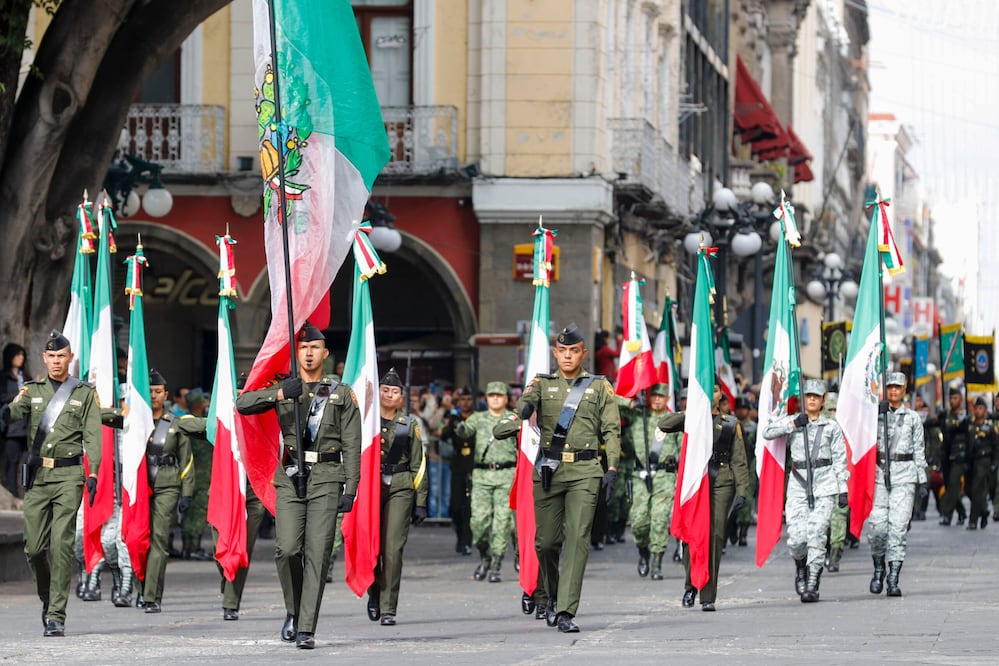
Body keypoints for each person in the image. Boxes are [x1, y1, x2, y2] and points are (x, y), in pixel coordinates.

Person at [235, 322, 361, 649]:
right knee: (287, 548)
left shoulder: (340, 393)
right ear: (297, 353)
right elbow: (243, 405)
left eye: (314, 348)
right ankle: (293, 609)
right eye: (303, 348)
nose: (308, 353)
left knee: (317, 554)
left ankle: (306, 627)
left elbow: (351, 443)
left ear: (325, 354)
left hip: (328, 478)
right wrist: (279, 393)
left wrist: (351, 488)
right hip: (290, 476)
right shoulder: (285, 387)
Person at [493, 323, 620, 633]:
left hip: (586, 472)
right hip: (549, 470)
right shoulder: (540, 383)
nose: (567, 356)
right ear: (554, 353)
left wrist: (612, 467)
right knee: (546, 543)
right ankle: (550, 595)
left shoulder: (599, 387)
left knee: (578, 540)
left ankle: (565, 610)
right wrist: (522, 411)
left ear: (583, 353)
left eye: (573, 351)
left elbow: (611, 429)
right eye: (562, 351)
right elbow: (524, 406)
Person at [4, 330, 101, 636]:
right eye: (52, 357)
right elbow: (12, 412)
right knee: (33, 549)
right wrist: (4, 412)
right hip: (38, 477)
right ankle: (48, 600)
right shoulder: (31, 391)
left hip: (69, 478)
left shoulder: (84, 394)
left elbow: (93, 437)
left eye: (62, 356)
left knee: (61, 544)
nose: (57, 361)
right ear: (44, 359)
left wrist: (94, 472)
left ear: (69, 358)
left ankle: (57, 615)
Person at [659, 382, 749, 611]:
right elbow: (664, 424)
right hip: (695, 482)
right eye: (708, 389)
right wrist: (691, 411)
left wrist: (742, 491)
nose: (712, 394)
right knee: (692, 534)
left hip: (721, 482)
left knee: (716, 536)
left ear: (721, 395)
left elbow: (739, 460)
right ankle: (690, 585)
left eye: (716, 390)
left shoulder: (730, 423)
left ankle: (707, 595)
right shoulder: (692, 418)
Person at [762, 379, 847, 603]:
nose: (811, 399)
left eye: (816, 397)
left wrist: (843, 489)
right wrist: (792, 425)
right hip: (799, 484)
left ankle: (812, 582)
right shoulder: (794, 421)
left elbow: (840, 459)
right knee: (797, 539)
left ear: (822, 400)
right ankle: (800, 568)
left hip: (825, 483)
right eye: (808, 395)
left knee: (818, 532)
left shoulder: (832, 427)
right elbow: (767, 432)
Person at [366, 368, 428, 626]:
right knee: (371, 547)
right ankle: (374, 592)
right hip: (370, 488)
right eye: (386, 390)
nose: (390, 394)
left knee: (392, 549)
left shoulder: (409, 425)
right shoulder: (367, 422)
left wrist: (421, 501)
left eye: (395, 391)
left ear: (402, 397)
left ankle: (389, 607)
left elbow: (419, 464)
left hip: (400, 487)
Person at [136, 370, 197, 612]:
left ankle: (151, 596)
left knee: (159, 540)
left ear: (166, 395)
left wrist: (187, 493)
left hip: (167, 485)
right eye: (150, 392)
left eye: (158, 392)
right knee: (138, 538)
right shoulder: (135, 420)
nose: (154, 396)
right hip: (139, 487)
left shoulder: (174, 423)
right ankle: (140, 589)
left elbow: (187, 460)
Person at [867, 372, 926, 597]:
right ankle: (879, 566)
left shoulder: (912, 418)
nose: (893, 391)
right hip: (879, 475)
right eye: (890, 387)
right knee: (877, 528)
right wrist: (874, 416)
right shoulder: (875, 415)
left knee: (898, 528)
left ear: (904, 390)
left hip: (904, 476)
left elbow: (919, 450)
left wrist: (922, 479)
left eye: (897, 387)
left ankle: (893, 577)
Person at [458, 381, 518, 583]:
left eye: (499, 396)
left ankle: (496, 565)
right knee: (479, 524)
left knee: (502, 523)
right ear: (486, 399)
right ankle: (484, 556)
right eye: (491, 395)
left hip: (506, 475)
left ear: (506, 399)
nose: (495, 399)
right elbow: (465, 432)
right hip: (482, 477)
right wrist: (460, 426)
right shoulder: (478, 418)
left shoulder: (512, 419)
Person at [624, 383, 678, 580]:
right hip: (640, 477)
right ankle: (643, 552)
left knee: (659, 520)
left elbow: (683, 451)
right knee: (638, 521)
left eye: (661, 396)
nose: (657, 399)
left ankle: (657, 562)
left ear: (667, 399)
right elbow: (612, 403)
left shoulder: (674, 421)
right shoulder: (638, 417)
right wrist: (630, 403)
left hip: (665, 477)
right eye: (653, 395)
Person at [441, 387, 475, 555]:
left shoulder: (478, 419)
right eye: (463, 399)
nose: (466, 402)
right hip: (458, 466)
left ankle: (466, 541)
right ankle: (459, 536)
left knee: (470, 508)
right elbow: (443, 435)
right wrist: (449, 418)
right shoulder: (454, 419)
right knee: (456, 506)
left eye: (469, 399)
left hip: (474, 466)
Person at [938, 387, 970, 526]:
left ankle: (946, 515)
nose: (952, 401)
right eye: (951, 398)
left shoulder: (965, 416)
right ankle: (961, 512)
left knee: (953, 484)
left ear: (961, 399)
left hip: (959, 456)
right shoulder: (946, 415)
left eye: (955, 398)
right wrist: (940, 417)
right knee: (950, 486)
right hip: (946, 455)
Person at [1, 342, 28, 496]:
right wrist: (18, 394)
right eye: (17, 355)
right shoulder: (3, 377)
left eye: (22, 355)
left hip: (27, 426)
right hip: (11, 427)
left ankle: (26, 493)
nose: (21, 358)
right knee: (12, 461)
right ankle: (12, 493)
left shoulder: (26, 375)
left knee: (26, 462)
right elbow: (2, 397)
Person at [730, 394, 757, 547]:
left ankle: (743, 533)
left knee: (745, 499)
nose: (741, 411)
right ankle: (732, 528)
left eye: (744, 408)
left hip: (749, 465)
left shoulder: (754, 427)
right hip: (734, 466)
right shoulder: (732, 425)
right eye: (739, 408)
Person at [966, 396, 997, 531]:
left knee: (977, 489)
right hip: (972, 461)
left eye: (981, 408)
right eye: (976, 408)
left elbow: (996, 447)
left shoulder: (990, 428)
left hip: (984, 461)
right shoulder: (970, 426)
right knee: (969, 490)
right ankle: (984, 511)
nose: (978, 411)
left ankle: (973, 520)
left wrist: (994, 463)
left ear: (985, 410)